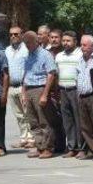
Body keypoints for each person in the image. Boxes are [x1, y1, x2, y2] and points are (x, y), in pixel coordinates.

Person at [22, 31, 59, 159]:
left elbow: (51, 74)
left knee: (44, 121)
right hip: (29, 89)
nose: (26, 45)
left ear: (36, 41)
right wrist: (24, 93)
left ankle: (48, 148)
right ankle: (40, 146)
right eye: (25, 43)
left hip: (40, 89)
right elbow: (26, 75)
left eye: (28, 42)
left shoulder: (45, 54)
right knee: (33, 121)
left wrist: (45, 94)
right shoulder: (28, 56)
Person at [56, 31, 85, 158]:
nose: (65, 43)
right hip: (63, 90)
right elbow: (57, 74)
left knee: (79, 120)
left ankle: (81, 148)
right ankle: (71, 147)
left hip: (75, 90)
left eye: (68, 41)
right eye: (64, 41)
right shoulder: (59, 56)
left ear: (75, 42)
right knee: (67, 121)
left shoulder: (80, 54)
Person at [4, 26, 33, 148]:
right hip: (11, 87)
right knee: (19, 115)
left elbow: (29, 68)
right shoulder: (7, 50)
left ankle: (31, 139)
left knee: (28, 113)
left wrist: (25, 87)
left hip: (23, 87)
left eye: (16, 34)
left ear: (21, 35)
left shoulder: (26, 49)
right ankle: (23, 138)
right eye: (11, 34)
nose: (13, 37)